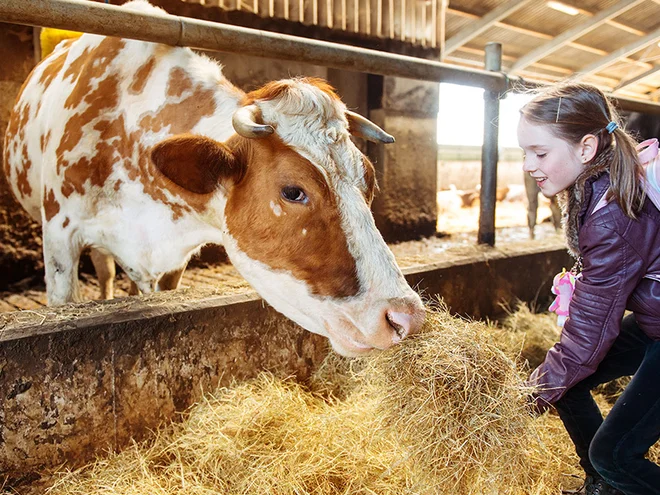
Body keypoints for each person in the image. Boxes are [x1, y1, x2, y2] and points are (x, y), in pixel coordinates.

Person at [518, 83, 660, 495]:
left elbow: (591, 331)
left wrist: (529, 396)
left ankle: (611, 476)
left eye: (540, 153)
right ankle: (606, 487)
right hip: (655, 322)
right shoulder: (597, 186)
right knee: (567, 381)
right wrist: (551, 379)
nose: (529, 164)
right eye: (524, 152)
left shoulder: (612, 214)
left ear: (586, 148)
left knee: (614, 454)